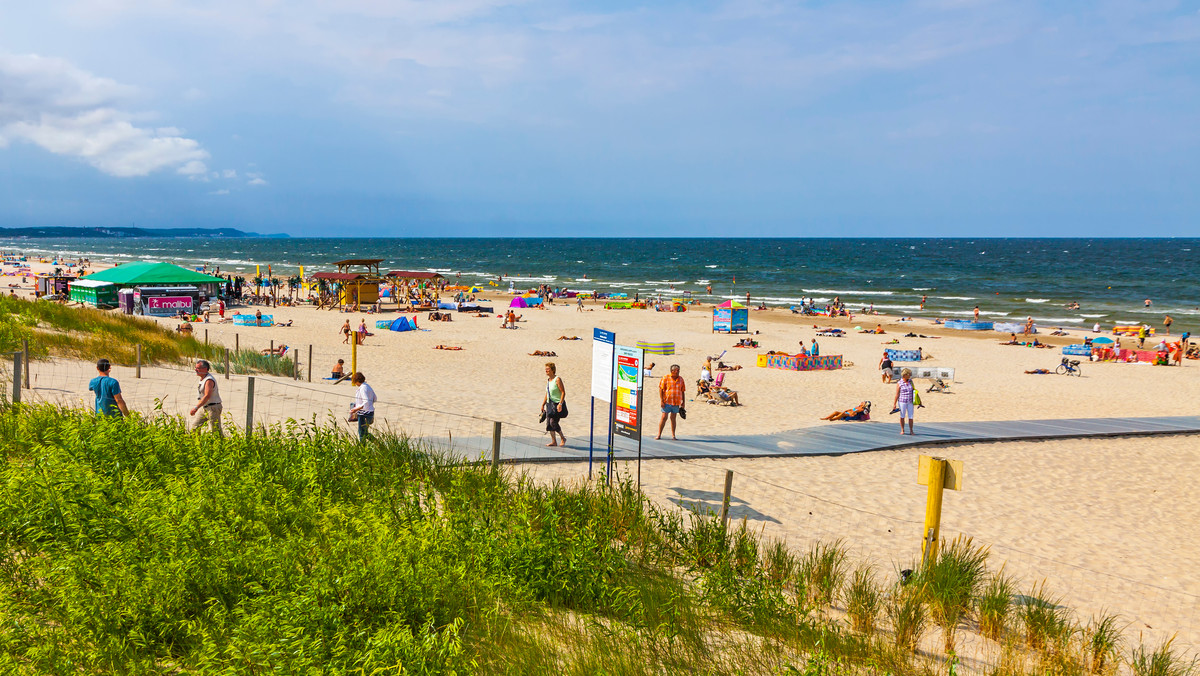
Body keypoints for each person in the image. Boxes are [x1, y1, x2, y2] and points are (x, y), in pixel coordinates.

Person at [188, 360, 223, 437]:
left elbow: (207, 396)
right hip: (205, 407)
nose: (195, 370)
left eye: (198, 368)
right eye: (195, 368)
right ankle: (198, 445)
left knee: (216, 431)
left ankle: (221, 447)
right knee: (195, 427)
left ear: (205, 369)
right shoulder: (202, 379)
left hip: (213, 408)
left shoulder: (209, 380)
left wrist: (196, 408)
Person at [656, 364, 685, 440]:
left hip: (676, 402)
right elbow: (661, 389)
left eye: (678, 370)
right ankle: (659, 434)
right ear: (672, 371)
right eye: (677, 370)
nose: (678, 371)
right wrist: (662, 400)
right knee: (664, 417)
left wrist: (683, 402)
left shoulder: (681, 379)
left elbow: (682, 391)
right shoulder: (666, 378)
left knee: (673, 418)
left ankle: (673, 435)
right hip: (667, 401)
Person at [541, 362, 567, 447]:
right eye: (545, 369)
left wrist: (560, 403)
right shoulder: (548, 380)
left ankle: (563, 438)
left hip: (556, 404)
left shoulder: (557, 379)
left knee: (553, 422)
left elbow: (563, 392)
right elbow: (547, 393)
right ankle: (554, 441)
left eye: (548, 369)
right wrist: (543, 404)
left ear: (552, 370)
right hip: (549, 404)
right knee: (549, 424)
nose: (546, 371)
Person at [348, 372, 376, 442]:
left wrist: (355, 409)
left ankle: (363, 449)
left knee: (362, 433)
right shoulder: (368, 386)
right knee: (365, 432)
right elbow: (375, 398)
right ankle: (379, 445)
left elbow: (365, 401)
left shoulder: (362, 388)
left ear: (357, 381)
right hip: (370, 413)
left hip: (364, 414)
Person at [893, 368, 916, 435]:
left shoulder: (911, 381)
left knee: (911, 416)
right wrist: (894, 404)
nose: (910, 375)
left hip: (910, 401)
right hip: (902, 401)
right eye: (909, 374)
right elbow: (897, 394)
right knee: (902, 416)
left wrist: (918, 400)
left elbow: (914, 391)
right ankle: (902, 429)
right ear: (905, 375)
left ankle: (911, 430)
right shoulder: (900, 383)